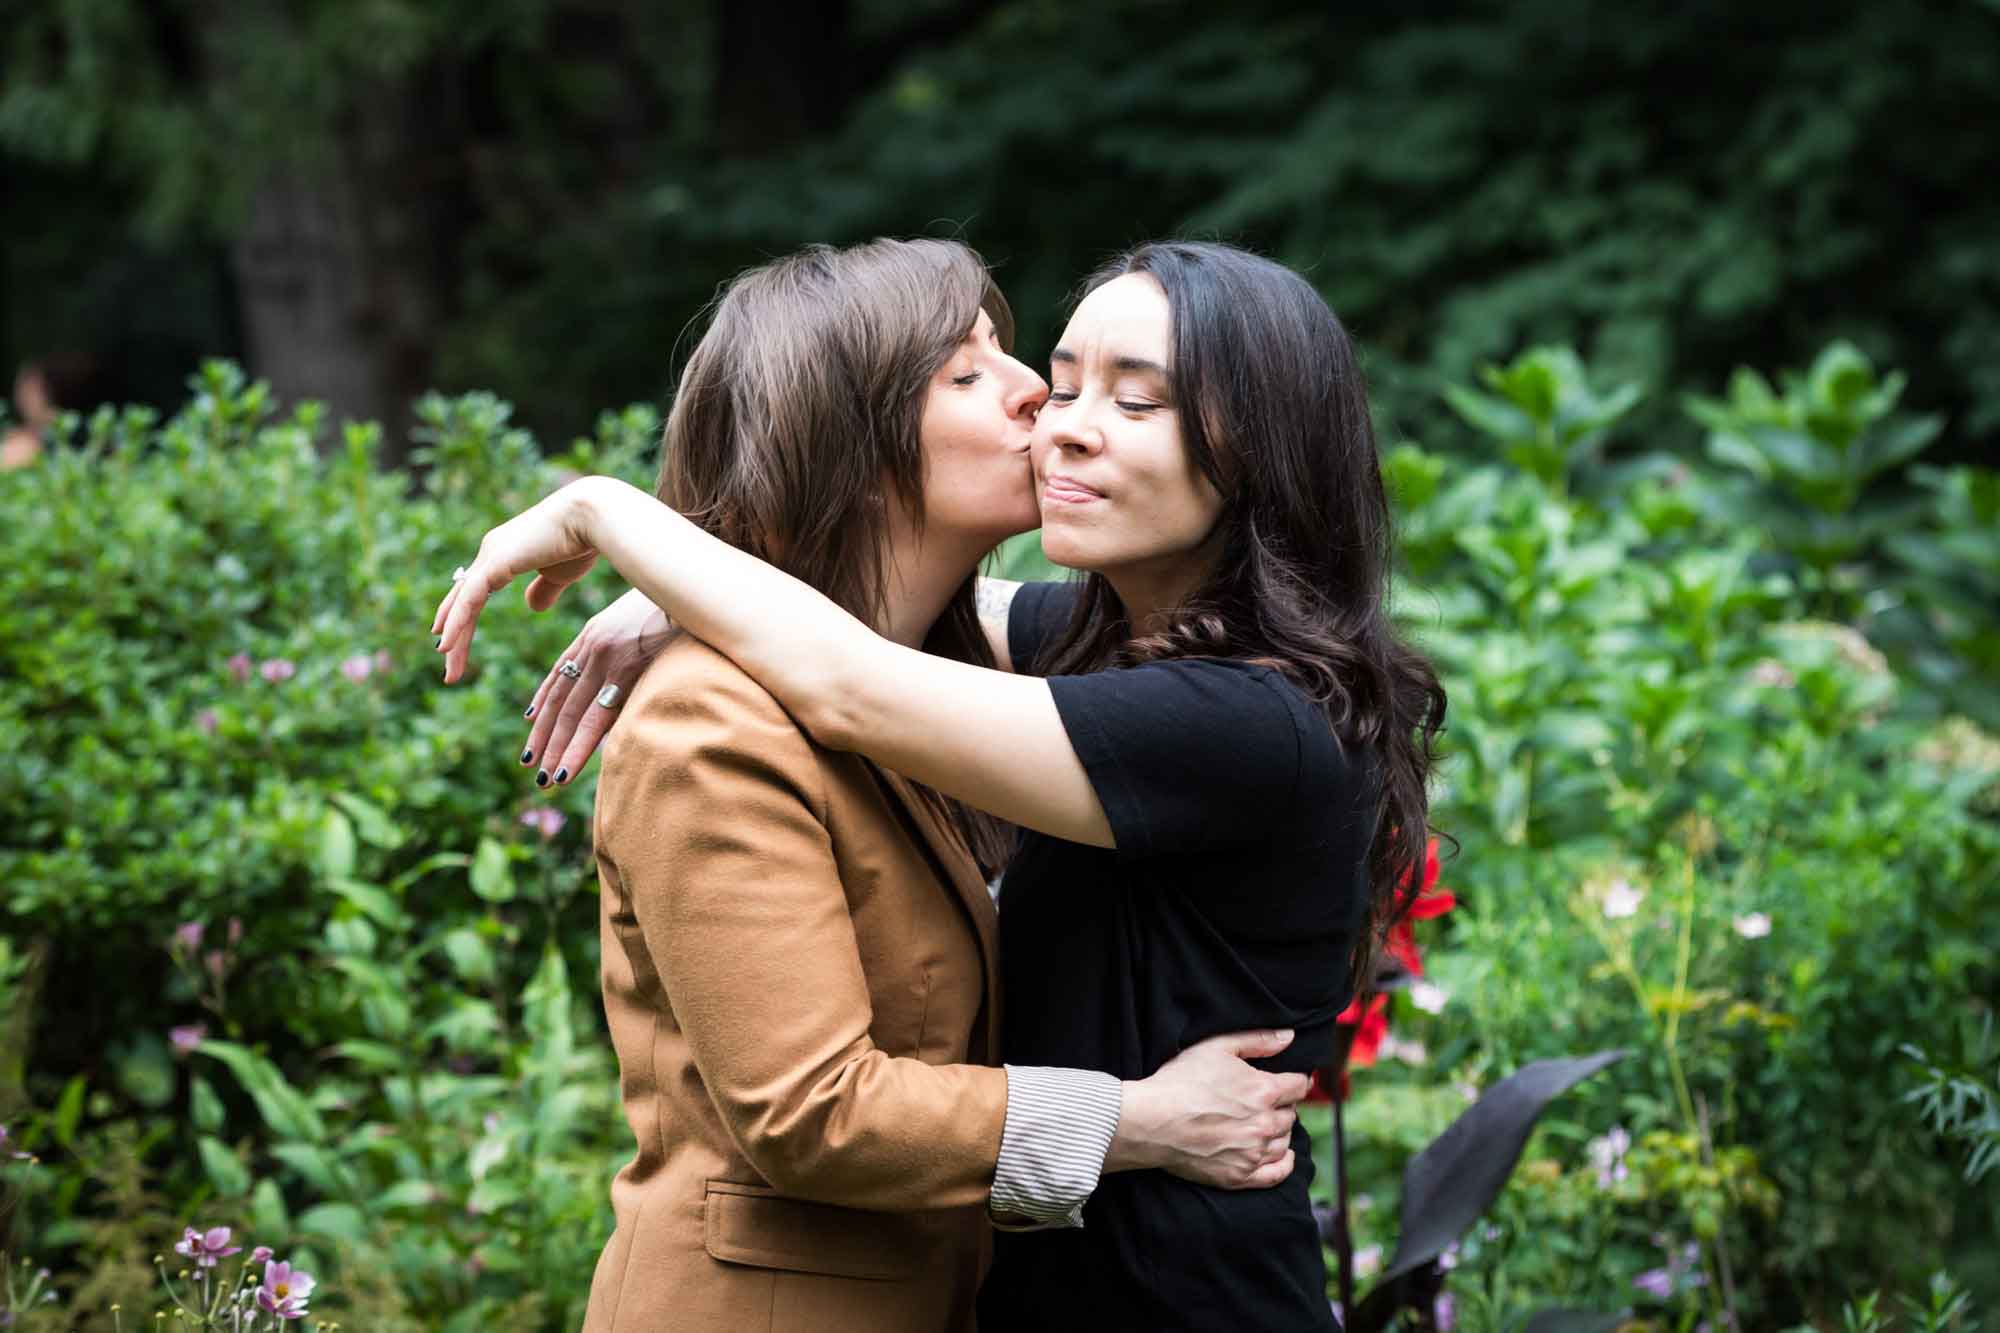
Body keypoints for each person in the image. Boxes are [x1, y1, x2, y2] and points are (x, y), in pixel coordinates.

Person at [435, 240, 1444, 1329]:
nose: (1049, 414)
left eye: (1134, 400)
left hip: (1178, 1298)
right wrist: (702, 581)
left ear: (1256, 447)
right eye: (1042, 380)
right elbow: (880, 623)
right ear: (849, 441)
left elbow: (851, 678)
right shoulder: (1097, 651)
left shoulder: (1242, 716)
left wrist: (611, 518)